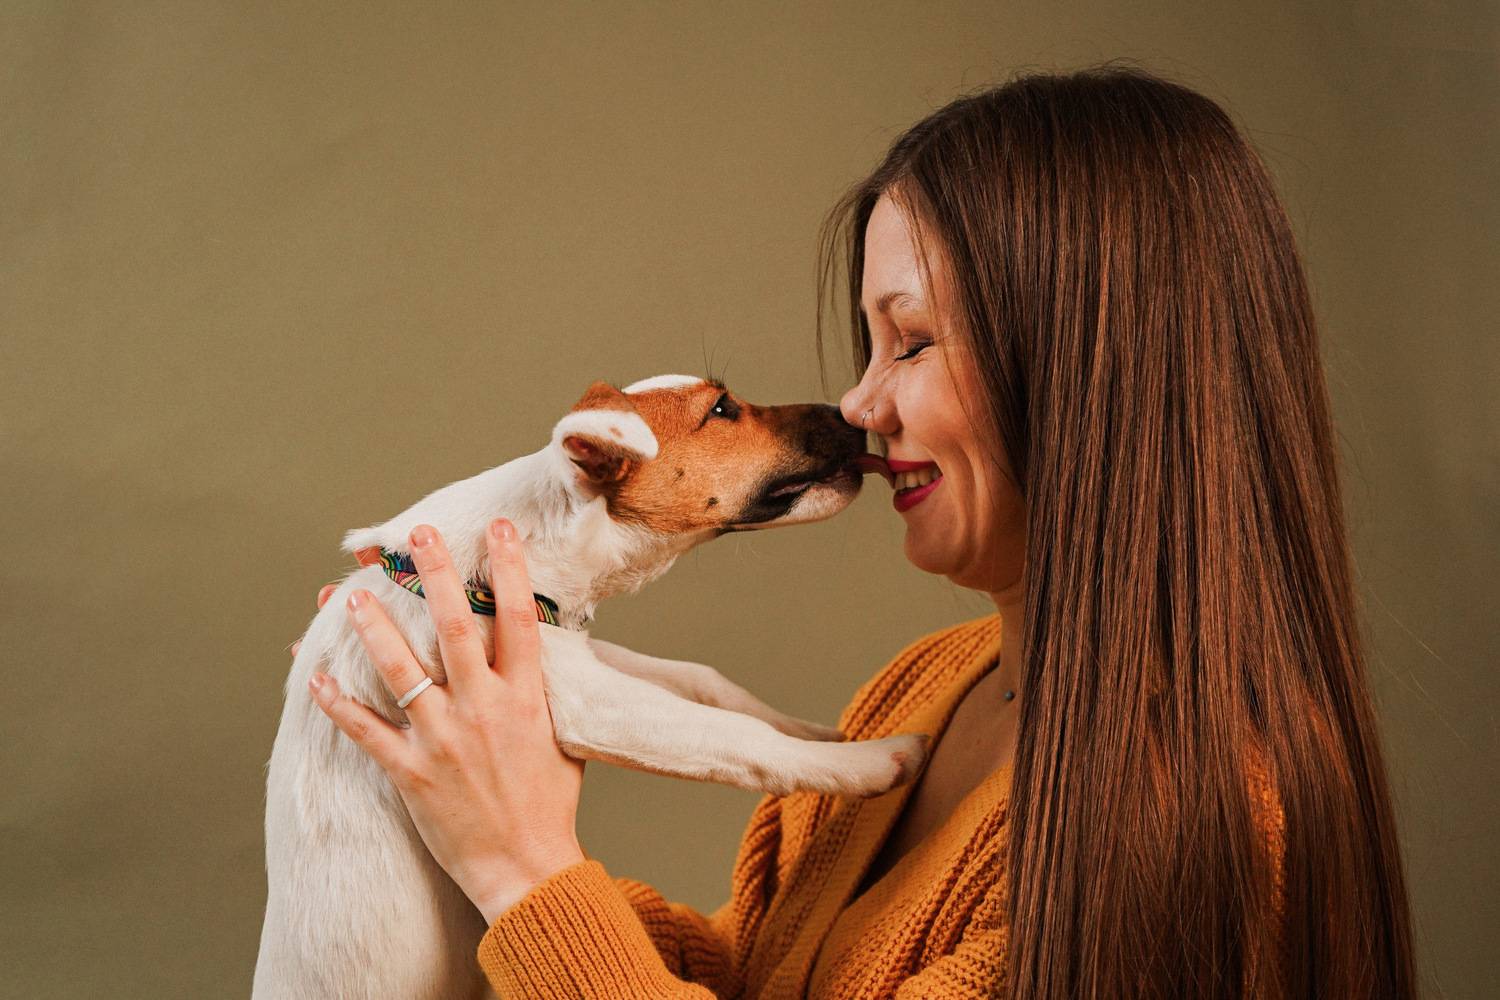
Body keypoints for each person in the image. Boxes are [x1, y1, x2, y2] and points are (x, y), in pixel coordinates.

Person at [298, 65, 1416, 997]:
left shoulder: (1187, 831)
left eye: (911, 342)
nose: (860, 404)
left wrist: (527, 875)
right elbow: (761, 973)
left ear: (1095, 368)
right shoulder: (924, 688)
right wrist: (466, 836)